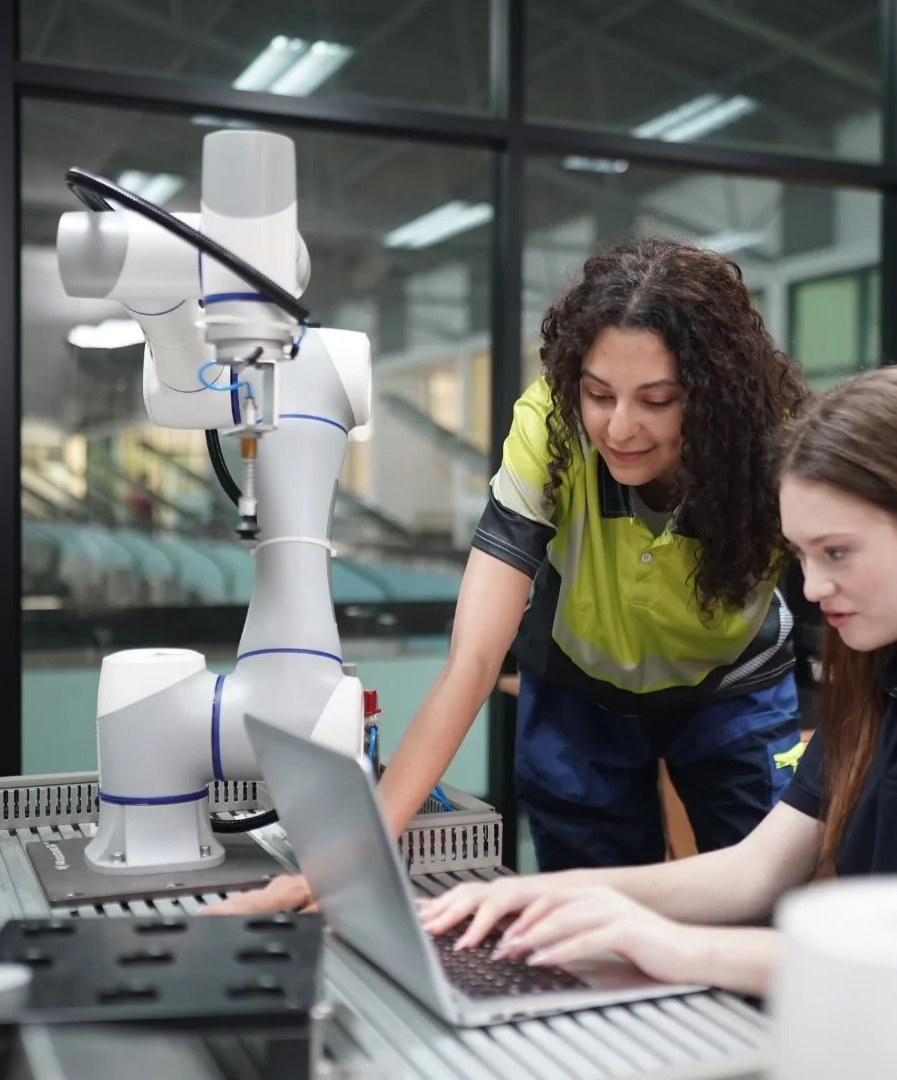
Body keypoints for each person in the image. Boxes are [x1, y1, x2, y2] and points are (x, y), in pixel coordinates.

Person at [414, 366, 897, 997]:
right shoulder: (884, 675)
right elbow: (753, 872)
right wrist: (524, 896)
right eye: (801, 557)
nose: (810, 589)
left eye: (837, 553)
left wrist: (676, 947)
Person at [204, 235, 811, 915]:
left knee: (773, 908)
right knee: (584, 928)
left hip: (733, 692)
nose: (621, 427)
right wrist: (354, 855)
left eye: (658, 400)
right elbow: (474, 657)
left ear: (710, 393)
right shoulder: (548, 428)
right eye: (599, 394)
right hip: (583, 699)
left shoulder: (774, 443)